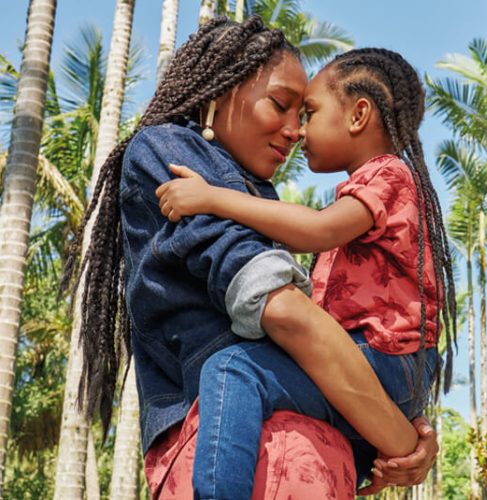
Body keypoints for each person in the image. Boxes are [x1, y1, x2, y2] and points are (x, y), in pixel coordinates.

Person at [66, 16, 438, 499]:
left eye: (304, 113)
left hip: (293, 460)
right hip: (264, 459)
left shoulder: (254, 189)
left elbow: (324, 329)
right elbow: (287, 313)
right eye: (282, 106)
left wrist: (401, 432)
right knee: (232, 368)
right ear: (218, 91)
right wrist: (402, 436)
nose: (295, 132)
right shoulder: (171, 152)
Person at [155, 47, 457, 499]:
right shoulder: (373, 189)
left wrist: (211, 198)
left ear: (358, 115)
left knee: (233, 369)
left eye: (310, 112)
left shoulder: (389, 175)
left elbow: (314, 230)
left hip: (380, 362)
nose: (298, 131)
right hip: (387, 372)